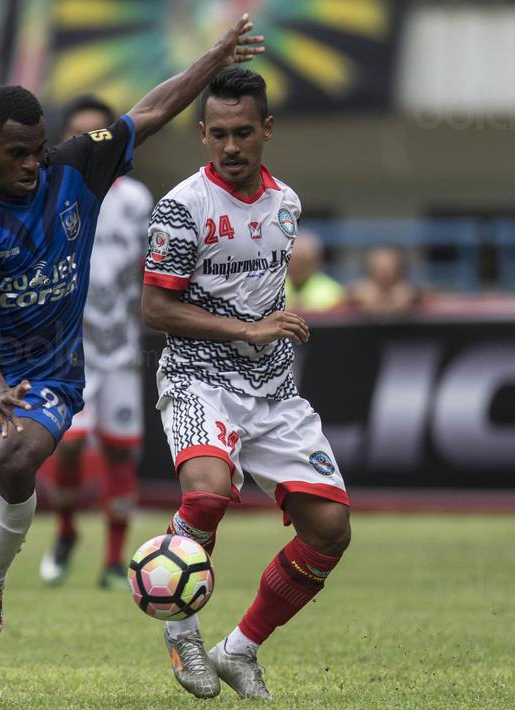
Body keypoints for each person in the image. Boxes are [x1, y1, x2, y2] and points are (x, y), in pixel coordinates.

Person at [0, 14, 266, 646]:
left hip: (51, 372)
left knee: (15, 456)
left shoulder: (76, 165)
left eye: (37, 148)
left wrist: (215, 59)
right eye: (16, 153)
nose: (32, 163)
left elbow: (152, 110)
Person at [141, 67, 351, 699]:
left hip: (273, 391)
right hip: (198, 379)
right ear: (203, 134)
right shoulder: (182, 208)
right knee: (206, 496)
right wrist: (248, 329)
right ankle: (182, 636)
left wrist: (263, 332)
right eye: (219, 134)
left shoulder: (287, 203)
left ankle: (239, 649)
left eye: (243, 133)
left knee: (330, 530)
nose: (231, 146)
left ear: (267, 129)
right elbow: (154, 309)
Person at [37, 94, 154, 591]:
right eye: (78, 134)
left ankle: (112, 561)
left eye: (97, 134)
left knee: (120, 453)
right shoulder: (48, 190)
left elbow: (153, 268)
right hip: (67, 348)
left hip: (122, 346)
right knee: (68, 447)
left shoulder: (137, 199)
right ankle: (66, 531)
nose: (88, 143)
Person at [348, 245, 420, 315]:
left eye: (389, 267)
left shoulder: (412, 295)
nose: (385, 273)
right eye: (380, 267)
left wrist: (413, 302)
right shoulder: (354, 296)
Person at [283, 230, 344, 312]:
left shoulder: (335, 293)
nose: (295, 267)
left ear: (315, 262)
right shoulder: (273, 288)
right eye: (291, 261)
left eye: (302, 262)